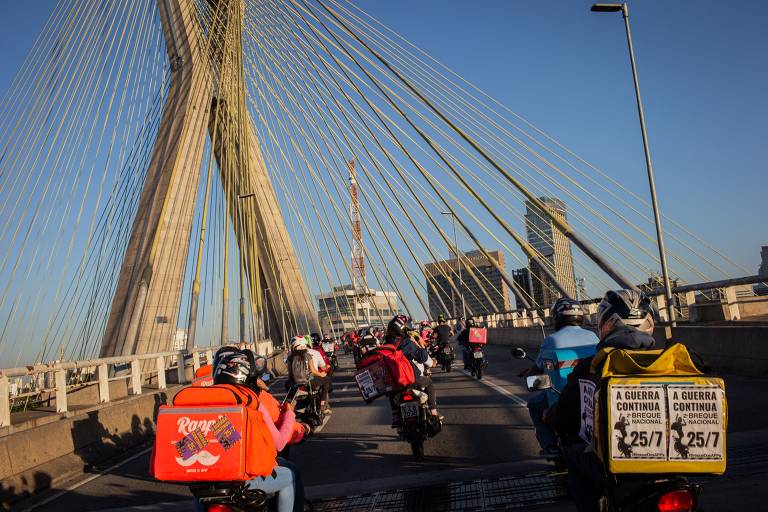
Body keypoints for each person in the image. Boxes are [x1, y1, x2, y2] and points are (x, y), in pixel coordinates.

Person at [547, 290, 657, 512]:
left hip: (617, 460)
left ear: (608, 324)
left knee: (574, 456)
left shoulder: (592, 367)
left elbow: (564, 417)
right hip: (666, 457)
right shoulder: (668, 360)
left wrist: (553, 417)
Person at [211, 349, 299, 512]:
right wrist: (289, 413)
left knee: (202, 494)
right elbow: (279, 443)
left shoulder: (203, 403)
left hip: (209, 481)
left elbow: (190, 448)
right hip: (242, 482)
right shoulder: (252, 403)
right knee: (289, 476)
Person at [519, 298, 599, 458]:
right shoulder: (593, 336)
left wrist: (529, 374)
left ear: (557, 317)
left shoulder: (551, 340)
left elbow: (538, 368)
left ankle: (550, 446)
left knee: (534, 405)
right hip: (591, 393)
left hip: (561, 396)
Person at [387, 315, 442, 422]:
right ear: (402, 329)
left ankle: (396, 415)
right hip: (410, 379)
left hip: (395, 383)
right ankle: (434, 411)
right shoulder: (405, 342)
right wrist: (432, 363)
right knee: (429, 383)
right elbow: (422, 355)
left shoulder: (385, 345)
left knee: (391, 392)